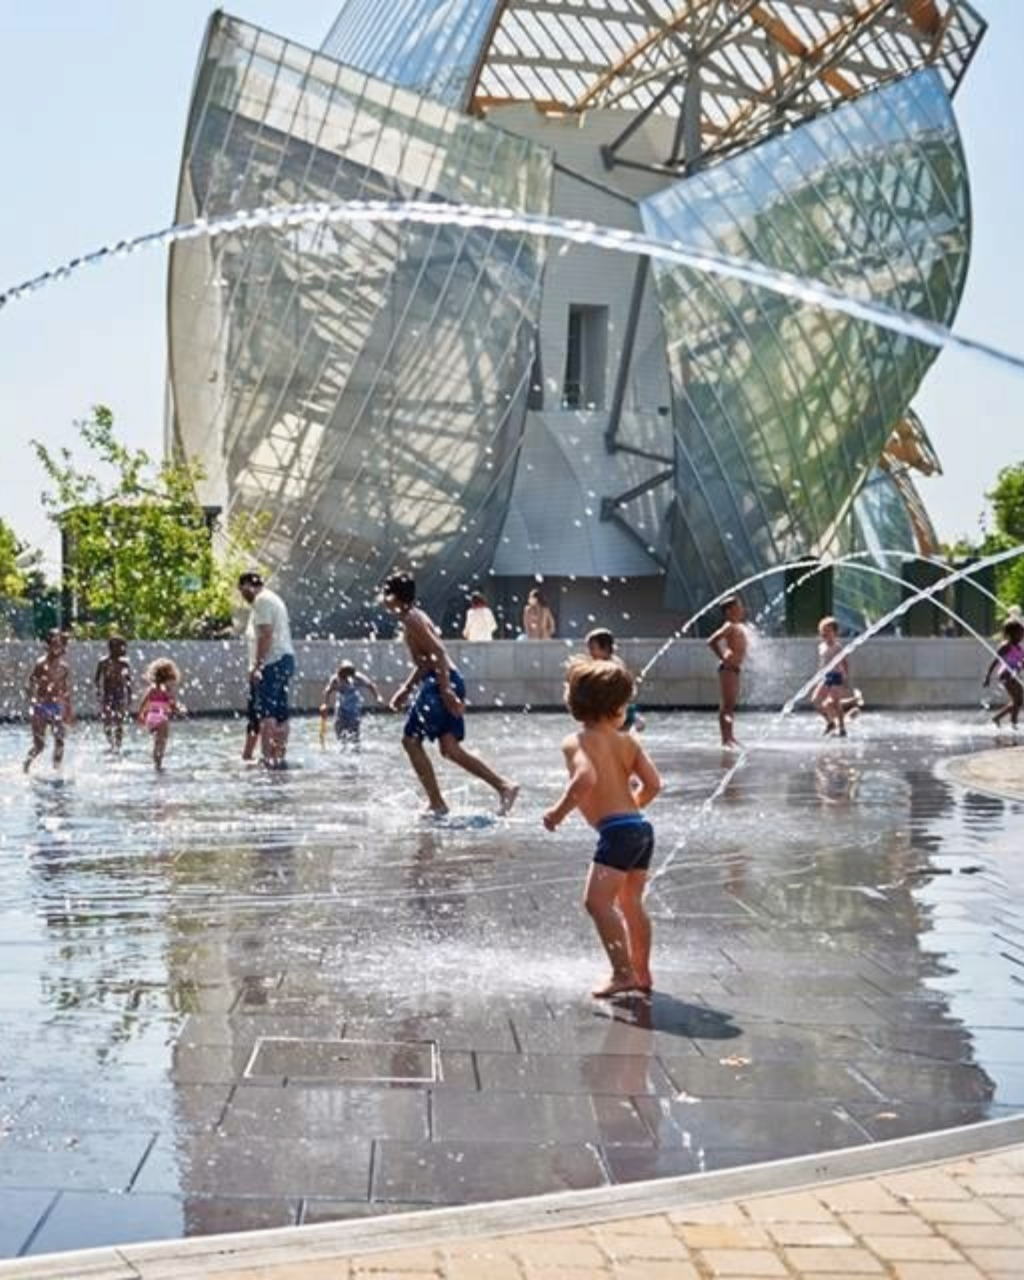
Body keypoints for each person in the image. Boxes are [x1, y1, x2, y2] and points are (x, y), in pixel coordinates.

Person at [543, 658, 661, 998]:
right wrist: (630, 809)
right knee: (631, 902)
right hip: (641, 828)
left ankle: (622, 973)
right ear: (618, 708)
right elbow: (653, 785)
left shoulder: (577, 741)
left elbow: (585, 779)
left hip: (618, 832)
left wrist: (557, 813)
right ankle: (641, 971)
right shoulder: (629, 741)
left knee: (596, 903)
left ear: (576, 704)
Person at [383, 571, 519, 818]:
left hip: (440, 682)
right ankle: (504, 787)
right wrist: (406, 688)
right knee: (450, 748)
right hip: (444, 680)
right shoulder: (414, 616)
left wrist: (445, 691)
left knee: (411, 741)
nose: (383, 598)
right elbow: (426, 661)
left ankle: (436, 803)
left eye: (386, 593)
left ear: (394, 596)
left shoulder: (411, 619)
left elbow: (438, 653)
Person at [237, 572, 296, 769]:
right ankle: (279, 755)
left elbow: (266, 635)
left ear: (248, 586)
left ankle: (266, 758)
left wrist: (258, 665)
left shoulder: (261, 601)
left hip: (272, 661)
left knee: (267, 712)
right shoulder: (274, 599)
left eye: (242, 590)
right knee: (281, 712)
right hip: (285, 658)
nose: (242, 596)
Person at [24, 629, 72, 773]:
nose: (58, 648)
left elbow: (64, 690)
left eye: (60, 645)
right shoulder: (41, 663)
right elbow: (30, 683)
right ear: (48, 646)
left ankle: (56, 770)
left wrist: (68, 709)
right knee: (40, 745)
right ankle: (26, 766)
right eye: (55, 644)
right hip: (41, 706)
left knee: (60, 741)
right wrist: (32, 700)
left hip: (56, 707)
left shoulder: (64, 668)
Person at [706, 596, 748, 748]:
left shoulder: (737, 626)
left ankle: (730, 737)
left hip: (733, 668)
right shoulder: (729, 625)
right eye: (739, 607)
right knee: (727, 705)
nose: (742, 610)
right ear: (729, 611)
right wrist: (723, 658)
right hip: (728, 669)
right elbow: (711, 640)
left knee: (730, 705)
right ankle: (726, 739)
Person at [586, 628, 644, 731]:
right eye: (589, 648)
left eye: (592, 648)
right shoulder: (594, 664)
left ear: (606, 648)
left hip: (616, 712)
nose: (589, 652)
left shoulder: (614, 665)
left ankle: (635, 719)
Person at [320, 660, 381, 750]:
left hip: (354, 706)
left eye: (349, 674)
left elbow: (370, 685)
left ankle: (356, 745)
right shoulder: (336, 679)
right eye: (344, 674)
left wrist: (378, 696)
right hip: (341, 706)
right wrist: (325, 704)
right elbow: (328, 691)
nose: (347, 677)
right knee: (338, 725)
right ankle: (342, 744)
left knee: (354, 727)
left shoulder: (357, 677)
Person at [137, 658, 182, 771]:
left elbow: (143, 702)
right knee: (162, 742)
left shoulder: (151, 689)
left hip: (151, 717)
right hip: (162, 718)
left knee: (157, 741)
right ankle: (159, 763)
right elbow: (171, 704)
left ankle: (155, 762)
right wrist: (180, 710)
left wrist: (141, 715)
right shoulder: (166, 689)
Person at [983, 617, 1024, 731]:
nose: (1022, 635)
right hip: (1006, 675)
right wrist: (987, 677)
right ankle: (1013, 724)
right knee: (1018, 701)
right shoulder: (1006, 646)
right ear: (1012, 633)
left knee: (1018, 701)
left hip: (1014, 675)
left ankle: (998, 718)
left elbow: (1020, 662)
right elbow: (995, 661)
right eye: (1020, 633)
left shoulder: (1019, 647)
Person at [94, 635, 132, 754]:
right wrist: (98, 692)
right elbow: (96, 679)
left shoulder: (124, 663)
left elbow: (128, 681)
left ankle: (118, 745)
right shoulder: (103, 662)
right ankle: (111, 743)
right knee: (107, 721)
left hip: (119, 695)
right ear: (113, 648)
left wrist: (129, 695)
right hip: (107, 694)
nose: (124, 650)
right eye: (122, 647)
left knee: (119, 721)